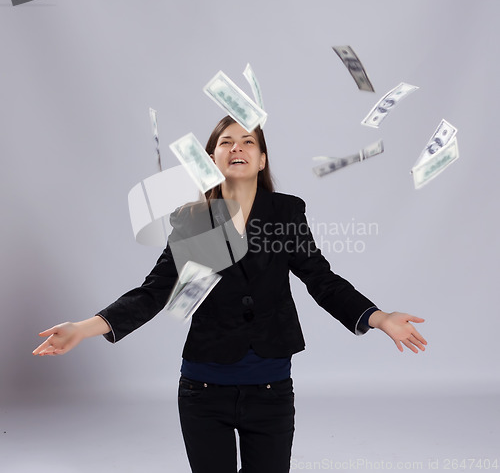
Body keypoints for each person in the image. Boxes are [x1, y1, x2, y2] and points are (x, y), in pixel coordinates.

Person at [33, 115, 427, 473]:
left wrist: (379, 317)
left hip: (271, 389)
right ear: (210, 160)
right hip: (203, 391)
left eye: (247, 142)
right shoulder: (191, 221)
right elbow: (154, 292)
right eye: (226, 142)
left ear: (261, 161)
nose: (236, 147)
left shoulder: (286, 213)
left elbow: (321, 280)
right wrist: (84, 328)